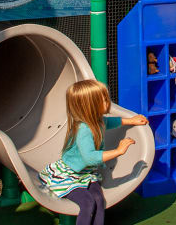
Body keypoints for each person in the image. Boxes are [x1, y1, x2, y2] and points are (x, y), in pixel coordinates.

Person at [39, 80, 148, 225]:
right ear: (89, 105)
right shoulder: (84, 129)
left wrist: (130, 121)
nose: (107, 101)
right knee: (87, 202)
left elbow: (110, 123)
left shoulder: (97, 120)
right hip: (70, 175)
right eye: (103, 99)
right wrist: (118, 151)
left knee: (99, 200)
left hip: (87, 174)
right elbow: (90, 157)